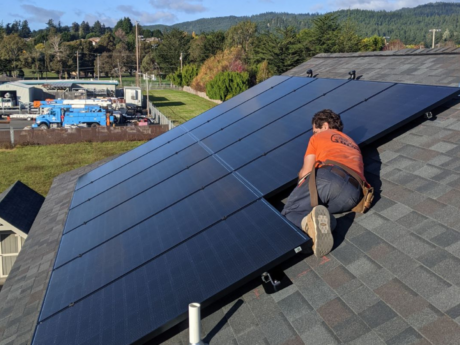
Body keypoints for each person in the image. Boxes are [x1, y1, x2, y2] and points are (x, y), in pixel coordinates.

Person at [281, 109, 365, 257]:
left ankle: (308, 233)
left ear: (325, 126)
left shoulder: (319, 137)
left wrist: (299, 190)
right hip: (354, 195)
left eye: (315, 130)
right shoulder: (352, 143)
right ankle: (326, 224)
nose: (314, 134)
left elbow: (306, 172)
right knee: (316, 212)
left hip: (329, 176)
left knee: (289, 212)